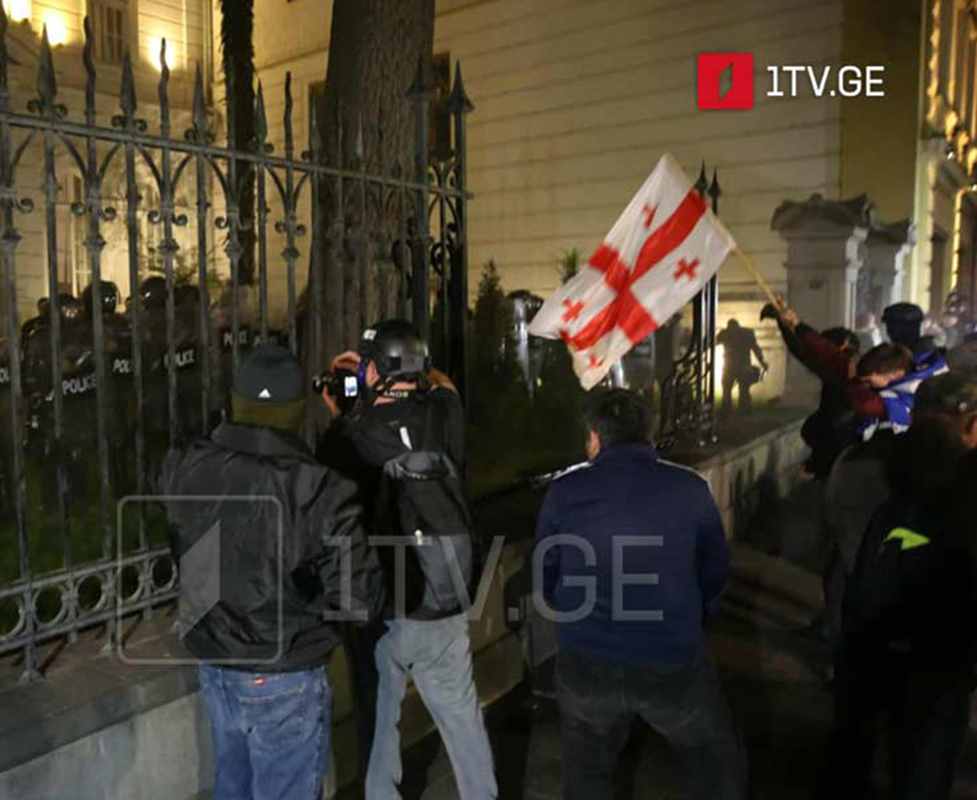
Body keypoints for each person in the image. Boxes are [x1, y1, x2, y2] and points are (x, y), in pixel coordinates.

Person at [161, 344, 384, 800]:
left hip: (216, 663)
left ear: (236, 403)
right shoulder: (320, 489)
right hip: (285, 671)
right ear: (295, 413)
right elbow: (359, 600)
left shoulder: (184, 467)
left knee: (232, 786)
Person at [535, 388, 745, 800]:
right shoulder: (689, 487)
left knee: (587, 772)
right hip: (671, 661)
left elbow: (546, 570)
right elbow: (714, 571)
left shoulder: (564, 491)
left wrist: (573, 616)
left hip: (587, 663)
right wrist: (692, 622)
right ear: (648, 434)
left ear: (594, 438)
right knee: (715, 762)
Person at [318, 319, 497, 800]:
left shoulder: (347, 438)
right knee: (462, 717)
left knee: (379, 725)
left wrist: (339, 412)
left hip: (383, 608)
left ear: (375, 370)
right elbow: (445, 386)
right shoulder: (444, 414)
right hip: (443, 596)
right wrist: (410, 368)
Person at [829, 372, 977, 799]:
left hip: (867, 642)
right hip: (939, 658)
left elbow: (842, 538)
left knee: (854, 752)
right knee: (922, 768)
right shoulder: (965, 491)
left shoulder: (860, 464)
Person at [763, 303, 860, 479]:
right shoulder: (851, 369)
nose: (818, 355)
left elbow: (804, 352)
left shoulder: (843, 372)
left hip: (837, 451)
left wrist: (784, 323)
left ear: (842, 347)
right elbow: (808, 349)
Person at [847, 341, 947, 440]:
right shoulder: (912, 371)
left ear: (897, 374)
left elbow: (865, 405)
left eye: (869, 382)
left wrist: (853, 385)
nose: (866, 386)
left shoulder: (907, 396)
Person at [716, 318, 767, 415]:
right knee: (743, 389)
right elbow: (756, 349)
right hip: (742, 366)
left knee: (727, 389)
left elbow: (713, 342)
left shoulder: (726, 333)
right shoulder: (747, 333)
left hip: (730, 367)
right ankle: (743, 409)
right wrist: (762, 362)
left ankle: (727, 410)